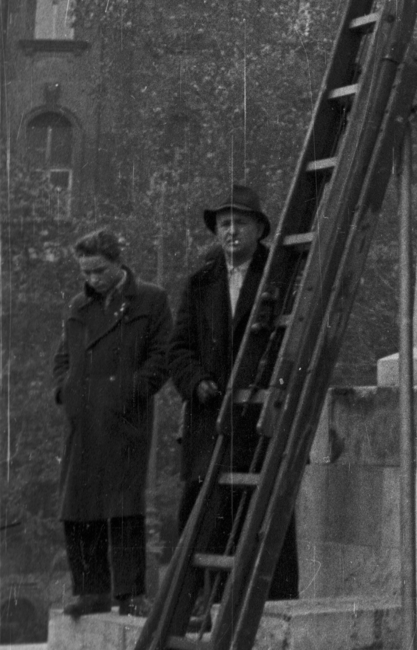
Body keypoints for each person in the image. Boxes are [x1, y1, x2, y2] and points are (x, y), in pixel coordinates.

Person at [168, 184, 299, 603]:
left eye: (240, 223)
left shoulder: (280, 275)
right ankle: (200, 602)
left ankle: (271, 603)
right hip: (210, 418)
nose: (230, 232)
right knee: (204, 512)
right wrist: (196, 382)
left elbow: (293, 341)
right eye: (223, 224)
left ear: (259, 229)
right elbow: (178, 349)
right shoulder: (200, 282)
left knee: (264, 508)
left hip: (259, 416)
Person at [53, 226, 172, 618]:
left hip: (125, 418)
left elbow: (162, 356)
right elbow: (63, 358)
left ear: (118, 262)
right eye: (85, 272)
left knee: (124, 506)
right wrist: (64, 391)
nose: (93, 279)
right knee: (78, 505)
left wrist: (131, 391)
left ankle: (131, 594)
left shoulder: (150, 299)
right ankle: (91, 592)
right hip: (83, 418)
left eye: (99, 270)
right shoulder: (78, 306)